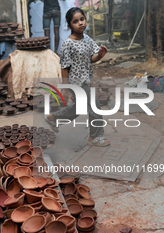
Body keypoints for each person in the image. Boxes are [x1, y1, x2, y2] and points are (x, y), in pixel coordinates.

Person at [45, 7, 110, 147]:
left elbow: (90, 59)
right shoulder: (67, 44)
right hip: (75, 83)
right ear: (69, 26)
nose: (80, 23)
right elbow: (64, 67)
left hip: (84, 80)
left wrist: (100, 55)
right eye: (75, 21)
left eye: (82, 19)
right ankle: (95, 137)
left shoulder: (86, 38)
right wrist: (66, 88)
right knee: (95, 105)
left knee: (80, 107)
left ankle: (53, 118)